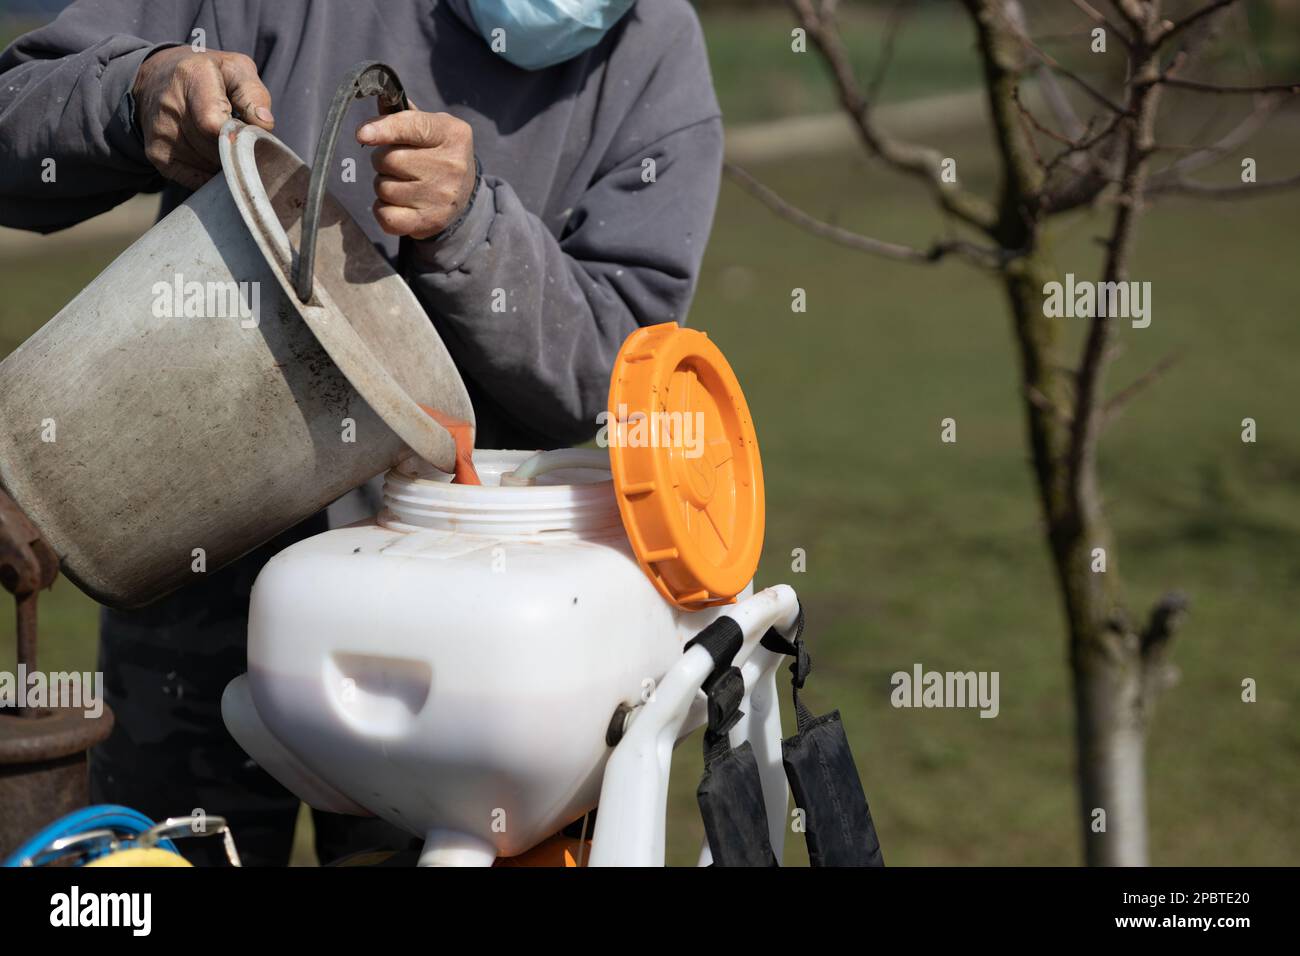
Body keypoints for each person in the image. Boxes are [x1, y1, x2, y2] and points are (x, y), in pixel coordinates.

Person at [0, 0, 723, 865]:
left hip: (462, 654)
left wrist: (471, 231)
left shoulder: (655, 51)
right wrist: (134, 92)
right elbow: (15, 123)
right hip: (188, 585)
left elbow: (615, 373)